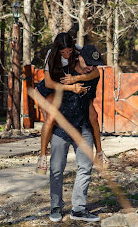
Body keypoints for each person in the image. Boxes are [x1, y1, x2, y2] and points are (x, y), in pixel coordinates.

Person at [35, 33, 109, 175]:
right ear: (58, 50)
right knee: (51, 117)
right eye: (63, 52)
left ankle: (99, 152)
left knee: (93, 114)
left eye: (69, 51)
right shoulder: (51, 55)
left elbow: (95, 73)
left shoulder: (79, 51)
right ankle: (43, 156)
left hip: (65, 86)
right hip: (47, 89)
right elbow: (49, 83)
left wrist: (76, 79)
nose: (67, 54)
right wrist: (71, 87)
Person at [47, 45, 104, 222]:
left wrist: (99, 148)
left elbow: (92, 109)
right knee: (56, 169)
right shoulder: (62, 71)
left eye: (95, 65)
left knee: (85, 167)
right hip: (61, 127)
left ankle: (78, 209)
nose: (91, 67)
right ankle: (56, 207)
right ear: (79, 57)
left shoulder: (92, 75)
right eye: (89, 63)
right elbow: (46, 89)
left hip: (83, 127)